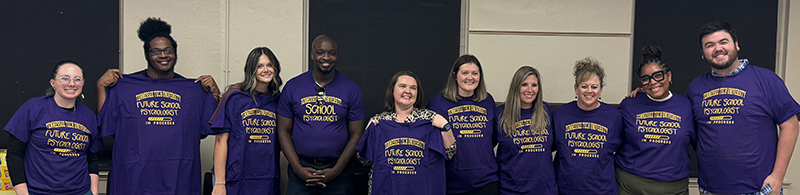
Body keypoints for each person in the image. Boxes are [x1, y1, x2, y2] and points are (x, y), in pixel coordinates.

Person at [97, 18, 220, 195]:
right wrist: (100, 87)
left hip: (178, 178)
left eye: (168, 50)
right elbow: (106, 123)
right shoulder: (125, 86)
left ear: (175, 53)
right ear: (147, 55)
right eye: (156, 51)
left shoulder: (192, 90)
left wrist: (214, 95)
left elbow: (203, 130)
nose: (163, 55)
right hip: (134, 179)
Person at [688, 21, 799, 195]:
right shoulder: (696, 87)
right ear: (703, 54)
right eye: (709, 45)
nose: (718, 48)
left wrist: (778, 176)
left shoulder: (767, 80)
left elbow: (790, 126)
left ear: (736, 45)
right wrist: (644, 93)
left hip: (759, 189)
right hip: (710, 188)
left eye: (723, 42)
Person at [277, 34, 366, 194]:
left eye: (331, 53)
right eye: (320, 52)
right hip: (301, 169)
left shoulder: (351, 89)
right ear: (312, 55)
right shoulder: (293, 87)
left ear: (337, 56)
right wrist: (298, 168)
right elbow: (283, 131)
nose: (326, 57)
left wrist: (337, 170)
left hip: (339, 172)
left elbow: (357, 134)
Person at [4, 60, 103, 195]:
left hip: (81, 191)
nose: (72, 84)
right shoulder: (33, 108)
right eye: (65, 78)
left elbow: (92, 158)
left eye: (77, 79)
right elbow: (14, 155)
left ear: (83, 84)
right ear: (53, 83)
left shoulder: (88, 116)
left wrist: (94, 192)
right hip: (39, 192)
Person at [357, 71, 457, 195]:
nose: (408, 91)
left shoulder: (429, 120)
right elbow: (363, 159)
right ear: (392, 90)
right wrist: (369, 131)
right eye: (402, 86)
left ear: (417, 93)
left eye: (413, 88)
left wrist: (445, 126)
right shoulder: (380, 122)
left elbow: (450, 152)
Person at [615, 45, 695, 195]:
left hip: (673, 188)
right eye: (646, 79)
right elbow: (613, 140)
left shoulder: (686, 107)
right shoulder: (629, 105)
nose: (652, 82)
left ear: (669, 76)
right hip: (629, 185)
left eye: (658, 75)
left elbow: (702, 144)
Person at [210, 47, 283, 195]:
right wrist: (219, 182)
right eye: (259, 66)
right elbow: (220, 141)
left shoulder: (278, 101)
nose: (266, 70)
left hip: (267, 178)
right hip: (236, 177)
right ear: (251, 70)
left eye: (269, 65)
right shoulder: (235, 97)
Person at [427, 54, 499, 195]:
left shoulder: (487, 100)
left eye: (475, 73)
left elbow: (493, 138)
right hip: (452, 182)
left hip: (486, 181)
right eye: (464, 73)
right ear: (455, 76)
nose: (470, 77)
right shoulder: (437, 103)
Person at [551, 57, 622, 195]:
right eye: (584, 86)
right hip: (566, 189)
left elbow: (622, 148)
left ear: (601, 90)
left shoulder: (614, 116)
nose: (589, 91)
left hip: (603, 190)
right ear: (576, 89)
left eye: (594, 87)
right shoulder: (560, 114)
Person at [494, 66, 556, 195]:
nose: (530, 90)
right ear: (516, 87)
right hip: (511, 190)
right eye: (524, 85)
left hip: (545, 189)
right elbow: (488, 146)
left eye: (534, 85)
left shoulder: (545, 111)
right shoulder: (501, 114)